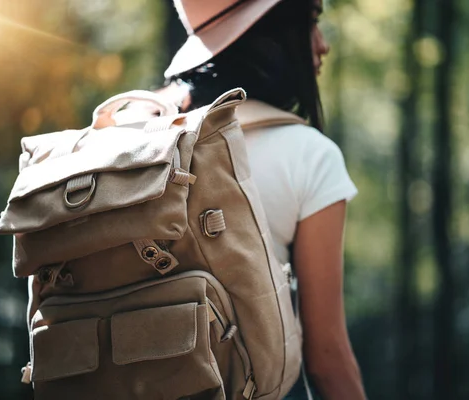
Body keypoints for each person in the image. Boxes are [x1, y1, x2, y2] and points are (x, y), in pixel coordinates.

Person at [157, 0, 369, 399]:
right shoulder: (309, 154)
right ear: (271, 38)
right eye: (311, 24)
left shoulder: (140, 141)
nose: (322, 45)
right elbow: (326, 357)